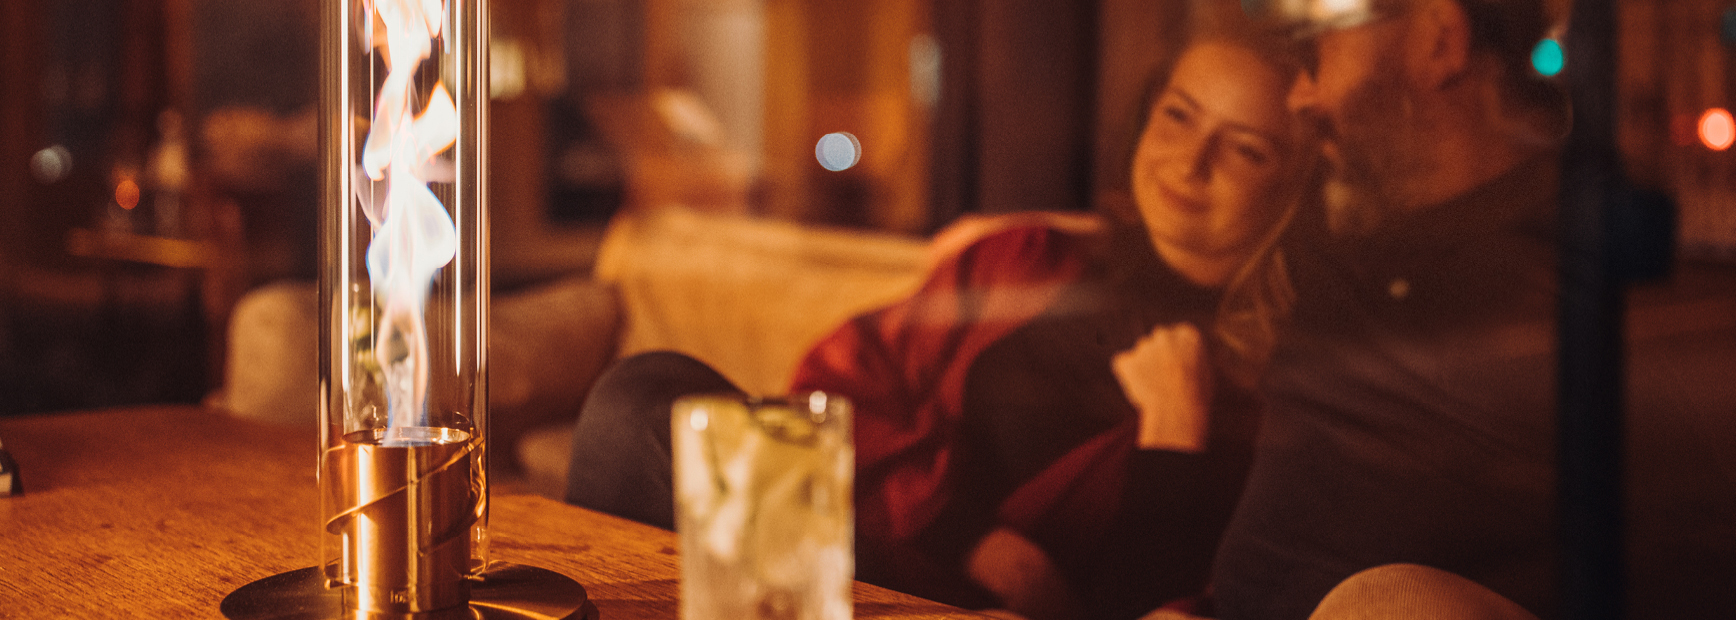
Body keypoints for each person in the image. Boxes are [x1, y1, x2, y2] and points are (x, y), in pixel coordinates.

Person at [566, 32, 1315, 620]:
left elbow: (1152, 605)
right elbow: (830, 392)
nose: (1191, 160)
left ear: (1294, 186)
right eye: (1178, 115)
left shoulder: (1272, 387)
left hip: (964, 609)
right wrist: (967, 534)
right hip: (873, 550)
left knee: (640, 415)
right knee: (649, 396)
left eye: (1245, 148)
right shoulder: (1026, 255)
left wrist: (1173, 445)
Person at [1208, 0, 1569, 618]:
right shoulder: (1342, 237)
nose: (1299, 97)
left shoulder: (1567, 290)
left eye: (1322, 49)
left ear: (1438, 41)